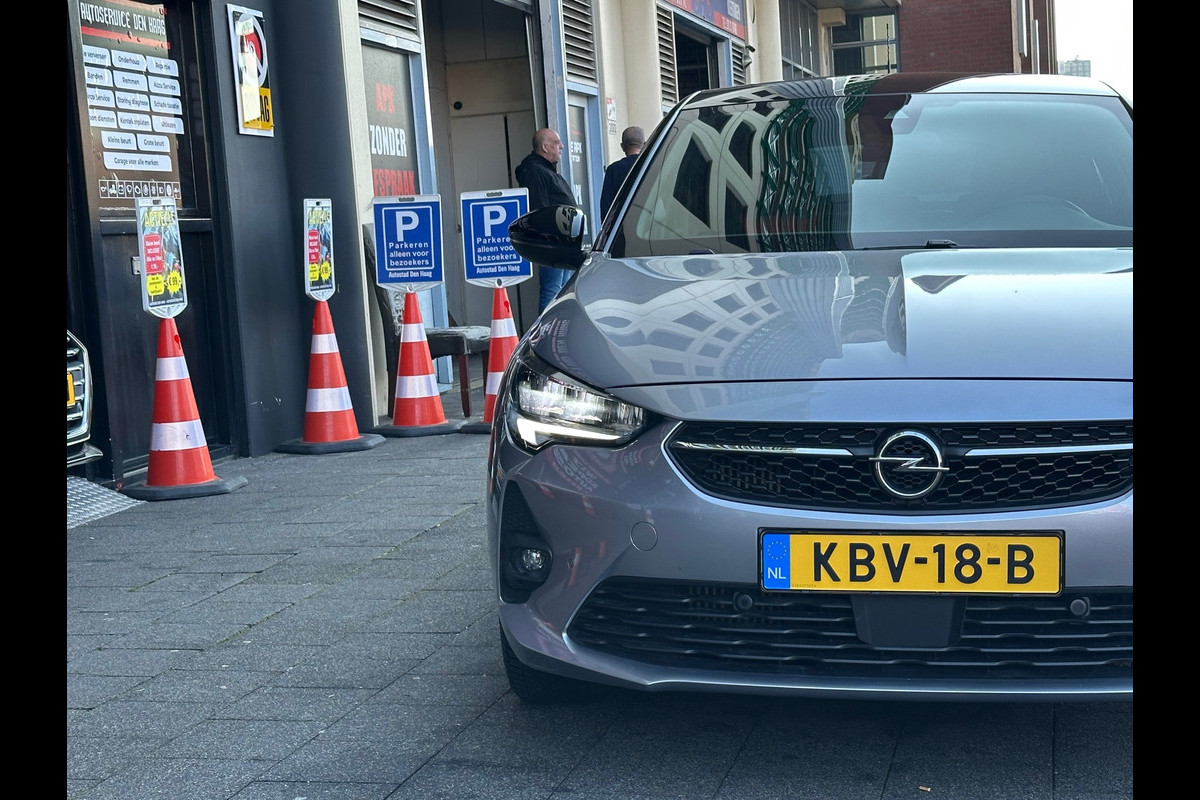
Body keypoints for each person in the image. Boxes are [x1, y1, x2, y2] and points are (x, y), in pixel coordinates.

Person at [515, 128, 577, 313]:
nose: (561, 146)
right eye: (557, 143)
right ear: (544, 147)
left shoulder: (545, 169)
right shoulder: (535, 171)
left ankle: (560, 327)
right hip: (553, 243)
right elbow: (539, 209)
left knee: (564, 292)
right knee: (553, 290)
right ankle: (546, 329)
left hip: (564, 241)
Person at [599, 126, 646, 219]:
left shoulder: (613, 170)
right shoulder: (649, 165)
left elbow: (606, 209)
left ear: (622, 146)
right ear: (644, 144)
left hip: (623, 225)